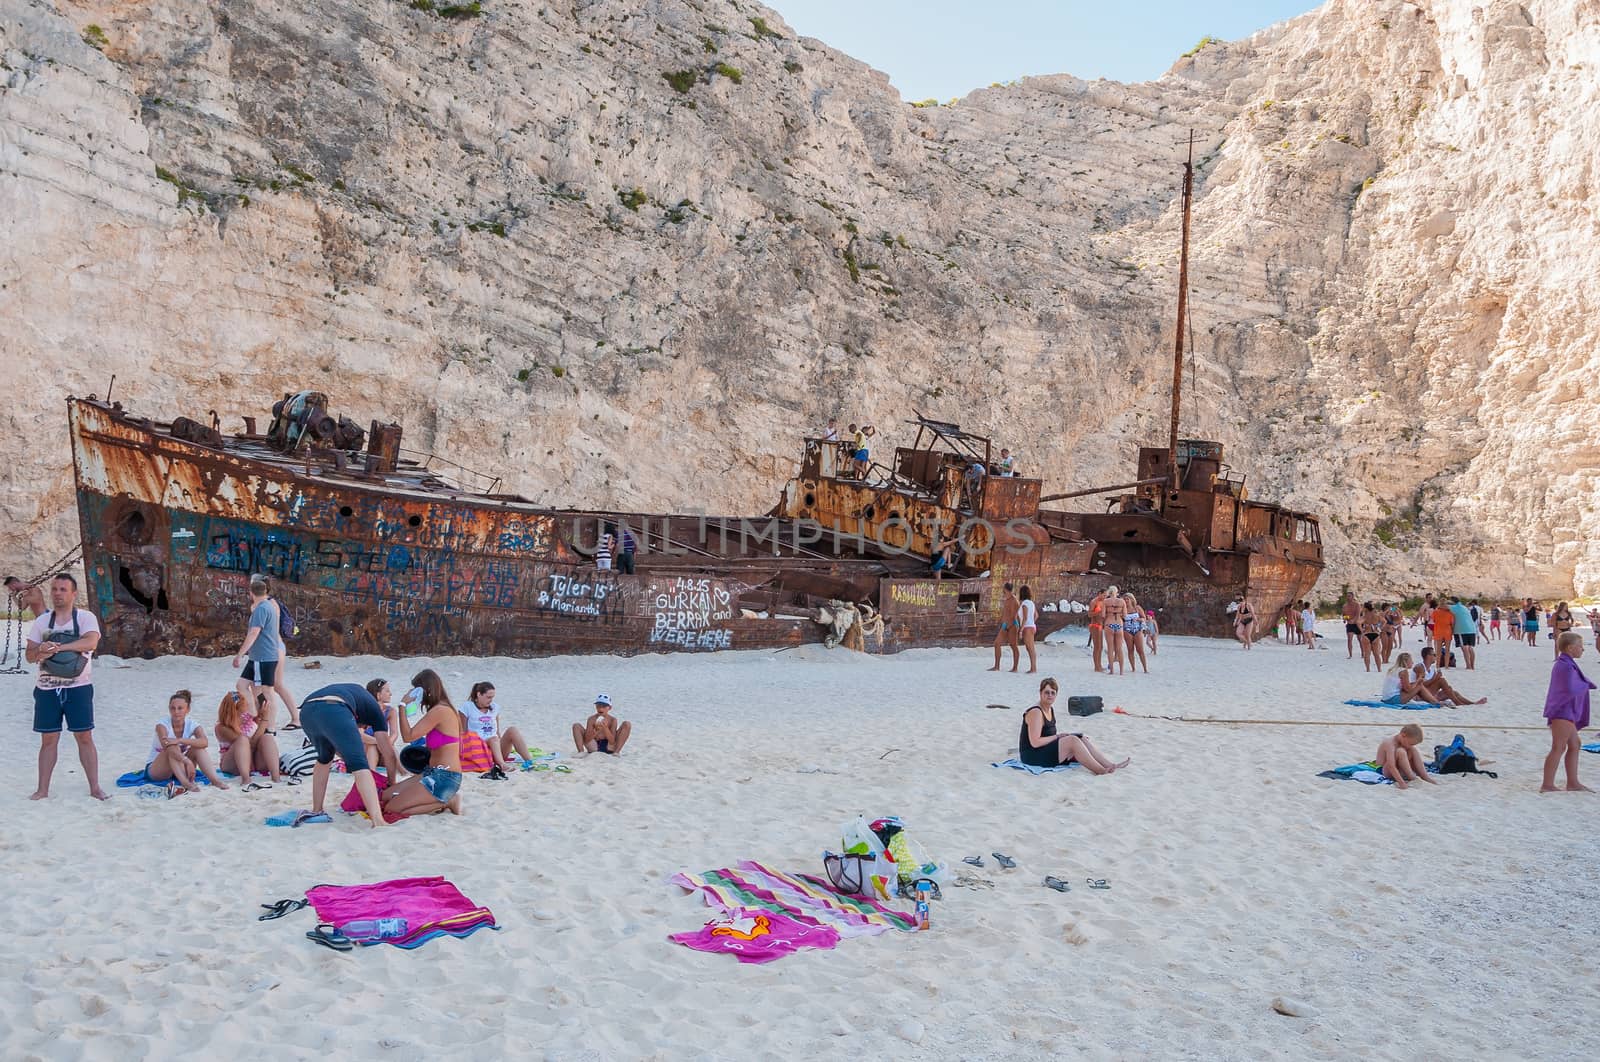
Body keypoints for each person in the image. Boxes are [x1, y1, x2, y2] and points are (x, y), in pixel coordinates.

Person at [25, 572, 107, 801]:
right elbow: (30, 656)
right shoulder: (42, 621)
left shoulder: (84, 617)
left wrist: (59, 647)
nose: (58, 594)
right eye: (54, 589)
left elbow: (91, 641)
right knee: (48, 740)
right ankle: (42, 789)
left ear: (73, 593)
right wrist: (40, 650)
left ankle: (95, 787)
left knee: (84, 737)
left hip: (78, 687)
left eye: (63, 590)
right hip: (46, 689)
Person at [300, 682, 400, 826]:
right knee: (360, 765)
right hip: (335, 708)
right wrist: (392, 782)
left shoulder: (358, 698)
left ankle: (317, 809)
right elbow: (388, 752)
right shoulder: (376, 713)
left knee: (324, 758)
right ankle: (378, 820)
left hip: (307, 710)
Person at [1018, 677, 1129, 774]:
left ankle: (1110, 765)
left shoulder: (1049, 709)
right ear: (1040, 693)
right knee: (1072, 740)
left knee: (1081, 738)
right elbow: (1035, 742)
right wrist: (1058, 736)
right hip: (1032, 756)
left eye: (1053, 693)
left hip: (1043, 750)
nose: (1050, 695)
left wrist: (1062, 737)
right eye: (1046, 692)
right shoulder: (1036, 712)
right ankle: (1100, 770)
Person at [231, 576, 293, 728]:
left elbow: (253, 633)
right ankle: (253, 717)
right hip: (258, 657)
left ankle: (269, 727)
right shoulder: (268, 605)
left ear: (251, 593)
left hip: (264, 657)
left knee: (267, 692)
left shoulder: (262, 609)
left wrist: (239, 654)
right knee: (242, 685)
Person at [1542, 632, 1594, 793]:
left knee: (1574, 744)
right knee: (1558, 746)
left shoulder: (1567, 663)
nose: (1582, 649)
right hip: (1562, 710)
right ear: (1571, 648)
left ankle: (1573, 782)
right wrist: (1586, 684)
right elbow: (1569, 688)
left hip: (1566, 710)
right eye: (1580, 646)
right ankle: (1547, 784)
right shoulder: (1564, 665)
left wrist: (1585, 684)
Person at [147, 690, 228, 793]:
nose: (176, 711)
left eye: (180, 708)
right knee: (173, 746)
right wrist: (186, 760)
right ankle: (186, 783)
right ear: (169, 709)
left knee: (198, 748)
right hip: (157, 769)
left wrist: (181, 740)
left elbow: (204, 742)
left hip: (179, 767)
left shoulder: (192, 724)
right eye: (173, 708)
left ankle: (215, 780)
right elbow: (166, 744)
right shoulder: (162, 725)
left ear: (187, 710)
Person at [216, 691, 283, 790]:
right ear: (235, 710)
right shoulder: (221, 727)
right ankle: (246, 779)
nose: (246, 708)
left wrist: (259, 717)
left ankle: (276, 777)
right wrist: (264, 720)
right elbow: (250, 744)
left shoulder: (247, 718)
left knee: (267, 737)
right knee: (242, 740)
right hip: (234, 764)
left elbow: (257, 736)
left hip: (254, 760)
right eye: (243, 708)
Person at [464, 681, 533, 777]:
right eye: (488, 697)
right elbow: (462, 732)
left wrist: (500, 741)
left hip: (495, 749)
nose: (491, 700)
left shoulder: (494, 707)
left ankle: (530, 761)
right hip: (478, 750)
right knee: (493, 739)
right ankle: (503, 765)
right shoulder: (467, 707)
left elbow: (496, 731)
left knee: (512, 730)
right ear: (479, 694)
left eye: (492, 697)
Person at [1412, 647, 1486, 706]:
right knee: (1441, 680)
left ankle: (1472, 703)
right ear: (1428, 656)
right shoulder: (1420, 667)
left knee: (1453, 692)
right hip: (1421, 695)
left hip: (1430, 693)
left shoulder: (1432, 669)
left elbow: (1433, 683)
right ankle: (1458, 703)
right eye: (1434, 655)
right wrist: (1435, 678)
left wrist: (1444, 687)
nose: (1436, 656)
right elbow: (1420, 685)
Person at [1376, 724, 1437, 789]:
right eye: (1411, 744)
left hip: (1398, 770)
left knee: (1413, 749)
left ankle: (1424, 776)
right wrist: (1401, 783)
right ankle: (1411, 777)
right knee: (1401, 751)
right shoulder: (1390, 743)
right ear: (1403, 735)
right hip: (1384, 771)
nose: (1410, 746)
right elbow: (1391, 766)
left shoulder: (1405, 742)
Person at [988, 582, 1020, 672]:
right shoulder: (1007, 599)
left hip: (1013, 625)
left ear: (1007, 590)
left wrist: (1007, 626)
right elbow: (1005, 613)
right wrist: (1002, 623)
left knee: (1013, 646)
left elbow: (1013, 616)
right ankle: (997, 666)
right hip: (1006, 624)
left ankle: (1015, 668)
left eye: (1004, 590)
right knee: (997, 643)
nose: (1003, 592)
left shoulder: (1014, 601)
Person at [1122, 592, 1149, 673]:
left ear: (1131, 599)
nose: (1126, 601)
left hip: (1137, 629)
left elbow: (1144, 618)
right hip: (1127, 630)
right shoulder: (1123, 609)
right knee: (1130, 650)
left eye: (1127, 599)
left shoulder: (1137, 608)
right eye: (1125, 599)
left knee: (1140, 650)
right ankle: (1133, 668)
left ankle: (1145, 669)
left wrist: (1138, 619)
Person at [1449, 596, 1478, 670]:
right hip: (1472, 629)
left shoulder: (1453, 607)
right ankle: (1472, 666)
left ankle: (1468, 666)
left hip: (1461, 630)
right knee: (1470, 647)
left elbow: (1441, 606)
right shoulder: (1464, 607)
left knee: (1464, 647)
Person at [1017, 584, 1039, 674]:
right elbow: (1036, 615)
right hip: (1031, 626)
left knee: (1030, 648)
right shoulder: (1031, 603)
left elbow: (1025, 618)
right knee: (1030, 648)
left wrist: (1021, 630)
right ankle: (1033, 668)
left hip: (1027, 627)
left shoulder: (1025, 604)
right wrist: (1032, 622)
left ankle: (1033, 668)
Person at [1429, 596, 1455, 666]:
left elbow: (1433, 620)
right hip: (1447, 631)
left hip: (1438, 630)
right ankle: (1446, 665)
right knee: (1447, 650)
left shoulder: (1435, 612)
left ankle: (1437, 665)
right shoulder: (1450, 613)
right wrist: (1452, 631)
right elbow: (1452, 623)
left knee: (1438, 650)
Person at [1358, 602, 1383, 672]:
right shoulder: (1376, 615)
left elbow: (1358, 622)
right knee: (1376, 654)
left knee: (1367, 654)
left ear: (1365, 608)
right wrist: (1379, 627)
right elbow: (1384, 621)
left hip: (1366, 634)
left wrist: (1362, 630)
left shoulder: (1365, 616)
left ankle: (1368, 669)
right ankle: (1379, 669)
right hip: (1375, 634)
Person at [1087, 591, 1107, 673]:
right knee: (1097, 647)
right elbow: (1089, 614)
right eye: (1104, 595)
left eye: (1106, 595)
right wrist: (1098, 612)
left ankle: (1099, 665)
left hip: (1100, 625)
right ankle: (1096, 667)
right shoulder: (1093, 602)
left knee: (1101, 647)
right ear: (1099, 593)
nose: (1105, 596)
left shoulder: (1103, 602)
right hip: (1094, 625)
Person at [1341, 592, 1361, 659]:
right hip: (1349, 624)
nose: (1348, 597)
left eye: (1349, 596)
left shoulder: (1357, 605)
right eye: (1347, 596)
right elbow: (1344, 614)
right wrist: (1345, 619)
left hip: (1357, 624)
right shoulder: (1344, 606)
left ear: (1352, 597)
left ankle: (1363, 653)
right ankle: (1350, 654)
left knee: (1360, 639)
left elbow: (1358, 614)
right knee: (1349, 640)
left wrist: (1354, 620)